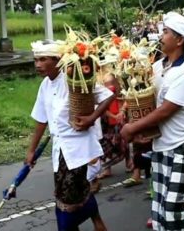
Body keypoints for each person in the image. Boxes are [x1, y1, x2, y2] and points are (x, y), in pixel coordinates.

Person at [121, 12, 184, 231]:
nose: (161, 36)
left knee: (172, 209)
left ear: (179, 40)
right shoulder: (159, 65)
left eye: (166, 32)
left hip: (182, 145)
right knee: (159, 209)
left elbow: (166, 110)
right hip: (161, 145)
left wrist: (134, 127)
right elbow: (147, 100)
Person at [26, 40, 115, 231]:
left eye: (43, 59)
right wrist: (32, 150)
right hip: (60, 153)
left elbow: (107, 95)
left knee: (67, 205)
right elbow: (42, 119)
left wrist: (92, 118)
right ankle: (97, 220)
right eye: (36, 60)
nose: (38, 65)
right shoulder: (45, 85)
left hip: (80, 151)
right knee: (70, 196)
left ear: (58, 61)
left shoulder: (75, 79)